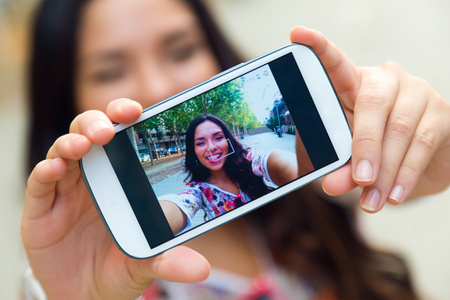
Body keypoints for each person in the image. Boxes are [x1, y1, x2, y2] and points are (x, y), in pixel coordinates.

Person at [21, 0, 450, 299]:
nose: (156, 87)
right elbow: (174, 208)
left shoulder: (290, 193)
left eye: (181, 50)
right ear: (66, 98)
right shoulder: (183, 205)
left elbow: (284, 166)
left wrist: (419, 159)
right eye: (110, 70)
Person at [159, 114, 301, 234]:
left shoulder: (249, 160)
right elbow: (177, 206)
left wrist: (302, 174)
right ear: (193, 151)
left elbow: (274, 161)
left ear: (228, 141)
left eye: (218, 138)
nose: (211, 148)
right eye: (201, 143)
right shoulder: (198, 191)